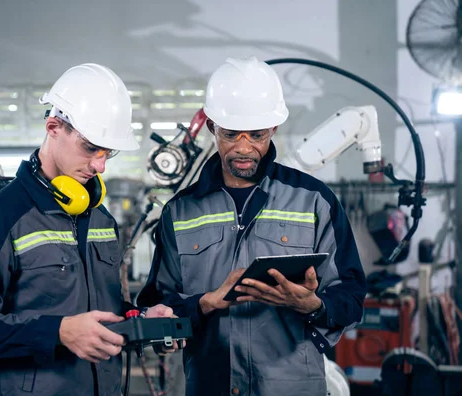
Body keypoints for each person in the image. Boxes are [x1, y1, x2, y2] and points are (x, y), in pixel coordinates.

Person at [137, 56, 367, 396]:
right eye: (231, 134)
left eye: (257, 135)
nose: (244, 148)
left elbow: (352, 296)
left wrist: (314, 306)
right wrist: (204, 304)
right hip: (210, 386)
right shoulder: (180, 212)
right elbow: (159, 308)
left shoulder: (315, 201)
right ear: (213, 126)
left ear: (273, 129)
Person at [0, 63, 177, 396]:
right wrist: (58, 331)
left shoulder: (100, 218)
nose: (99, 166)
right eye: (90, 147)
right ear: (54, 127)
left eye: (107, 152)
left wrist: (140, 318)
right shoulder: (1, 218)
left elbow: (106, 307)